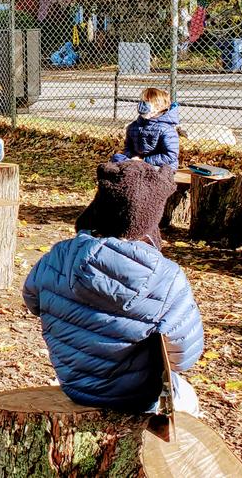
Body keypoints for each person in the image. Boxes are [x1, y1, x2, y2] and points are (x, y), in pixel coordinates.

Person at [23, 160, 204, 414]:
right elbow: (183, 356)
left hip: (75, 386)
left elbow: (32, 300)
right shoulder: (167, 276)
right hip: (138, 398)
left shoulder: (58, 255)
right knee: (188, 397)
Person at [112, 88, 180, 168]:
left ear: (159, 108)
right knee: (117, 158)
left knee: (151, 170)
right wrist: (133, 157)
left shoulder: (166, 130)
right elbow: (127, 148)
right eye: (142, 101)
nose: (143, 105)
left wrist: (143, 161)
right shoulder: (133, 127)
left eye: (147, 102)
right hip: (137, 162)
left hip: (159, 165)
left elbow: (170, 156)